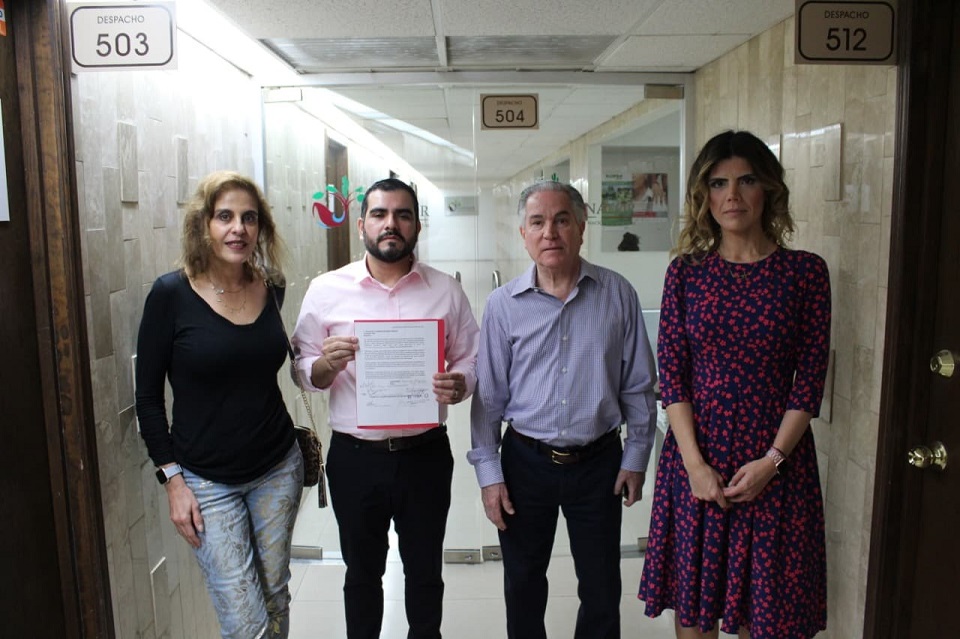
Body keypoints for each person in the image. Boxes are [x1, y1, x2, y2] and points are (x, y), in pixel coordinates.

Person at [637, 130, 832, 639]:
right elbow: (672, 376)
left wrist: (772, 462)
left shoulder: (805, 273)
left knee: (765, 615)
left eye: (746, 181)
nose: (732, 196)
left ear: (768, 188)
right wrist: (695, 466)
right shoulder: (686, 274)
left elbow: (809, 382)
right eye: (718, 184)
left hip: (775, 465)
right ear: (704, 195)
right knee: (694, 612)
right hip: (698, 462)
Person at [468, 181, 658, 639]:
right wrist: (489, 475)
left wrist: (636, 457)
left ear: (581, 227)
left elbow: (638, 386)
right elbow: (488, 398)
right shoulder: (503, 306)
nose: (549, 232)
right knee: (523, 583)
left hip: (598, 464)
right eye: (537, 222)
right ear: (523, 234)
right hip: (524, 463)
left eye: (561, 220)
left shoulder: (617, 294)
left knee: (601, 586)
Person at [291, 177, 479, 639]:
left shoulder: (445, 291)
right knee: (361, 574)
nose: (390, 223)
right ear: (361, 225)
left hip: (425, 456)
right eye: (379, 214)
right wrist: (325, 366)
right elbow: (301, 367)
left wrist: (461, 383)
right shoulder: (326, 289)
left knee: (425, 573)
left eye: (402, 214)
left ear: (417, 226)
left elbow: (472, 359)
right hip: (356, 458)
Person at [135, 171, 303, 639]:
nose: (238, 229)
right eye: (225, 216)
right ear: (203, 224)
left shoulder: (272, 285)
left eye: (249, 218)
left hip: (277, 468)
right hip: (207, 481)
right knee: (245, 621)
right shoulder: (170, 295)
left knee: (274, 596)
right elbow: (147, 398)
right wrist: (173, 481)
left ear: (261, 227)